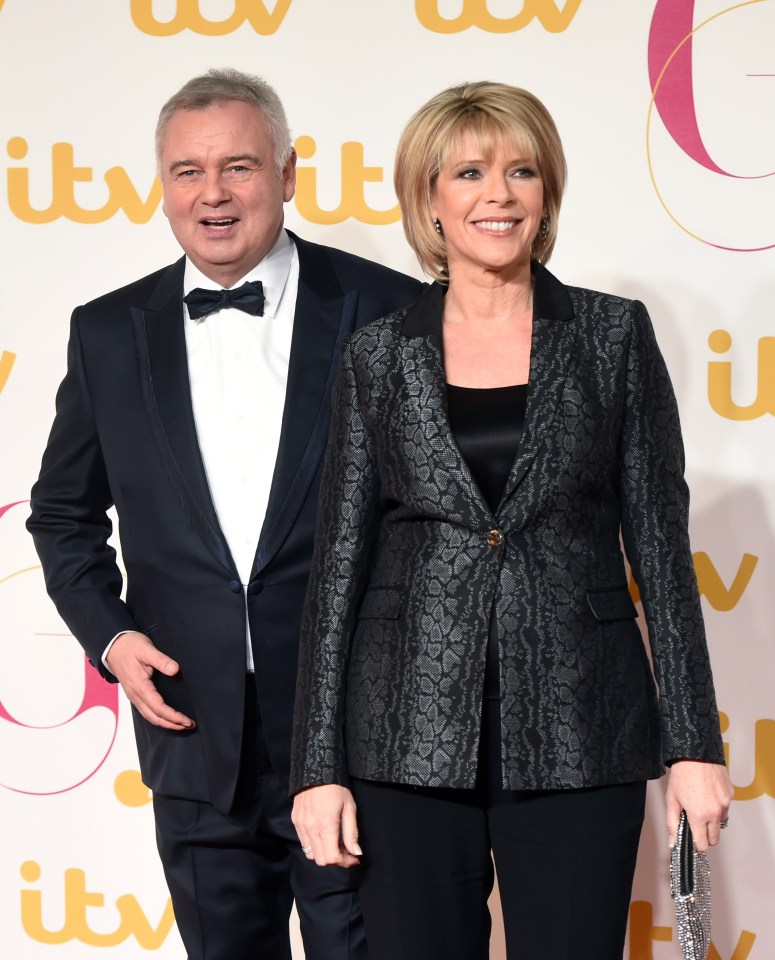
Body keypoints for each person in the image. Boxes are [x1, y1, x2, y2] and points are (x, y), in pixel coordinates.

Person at [290, 81, 732, 960]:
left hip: (580, 730)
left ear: (546, 192)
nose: (498, 194)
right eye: (469, 172)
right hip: (403, 740)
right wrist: (317, 768)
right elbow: (337, 567)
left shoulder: (613, 338)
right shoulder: (377, 357)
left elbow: (660, 549)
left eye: (520, 170)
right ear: (429, 199)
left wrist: (692, 744)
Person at [27, 68, 422, 960]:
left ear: (288, 173)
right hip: (189, 727)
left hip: (352, 730)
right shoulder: (107, 331)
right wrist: (110, 636)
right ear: (160, 185)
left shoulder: (387, 311)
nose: (212, 194)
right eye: (186, 171)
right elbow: (61, 513)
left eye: (239, 167)